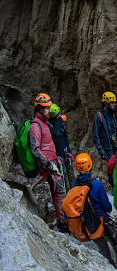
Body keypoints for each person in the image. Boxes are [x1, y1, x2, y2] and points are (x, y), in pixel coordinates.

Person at [73, 153, 117, 271]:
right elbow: (107, 207)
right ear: (90, 166)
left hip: (89, 224)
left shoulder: (74, 184)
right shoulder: (96, 185)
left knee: (102, 247)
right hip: (103, 221)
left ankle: (110, 269)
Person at [28, 93, 67, 232]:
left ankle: (61, 220)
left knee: (57, 191)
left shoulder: (43, 122)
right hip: (49, 166)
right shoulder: (35, 126)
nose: (50, 111)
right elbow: (35, 149)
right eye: (47, 108)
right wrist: (49, 165)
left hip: (52, 163)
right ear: (40, 108)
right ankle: (62, 222)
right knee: (60, 192)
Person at [48, 103, 74, 191]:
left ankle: (75, 191)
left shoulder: (59, 124)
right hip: (59, 156)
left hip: (66, 153)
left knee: (72, 176)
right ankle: (69, 194)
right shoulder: (49, 125)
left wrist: (69, 151)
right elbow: (54, 133)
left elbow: (64, 137)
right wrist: (60, 120)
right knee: (65, 178)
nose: (60, 115)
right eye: (58, 114)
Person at [92, 91, 117, 161]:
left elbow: (116, 129)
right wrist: (101, 152)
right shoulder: (98, 117)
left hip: (116, 146)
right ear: (106, 104)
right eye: (112, 103)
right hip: (108, 148)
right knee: (112, 168)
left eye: (115, 102)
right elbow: (95, 136)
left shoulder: (112, 115)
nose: (115, 104)